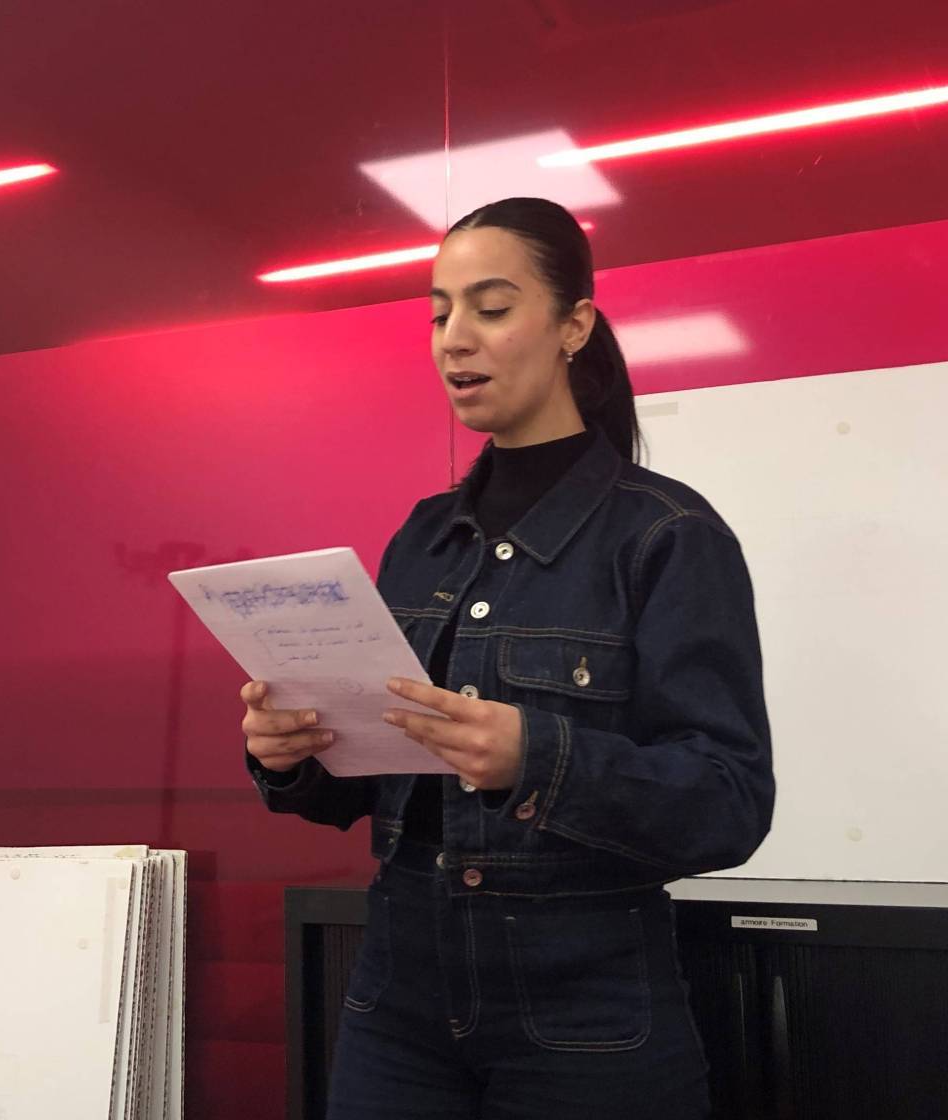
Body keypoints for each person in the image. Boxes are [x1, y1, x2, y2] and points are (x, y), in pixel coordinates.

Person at [240, 197, 776, 1119]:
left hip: (587, 1005)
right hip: (397, 991)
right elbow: (377, 782)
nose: (456, 339)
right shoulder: (423, 536)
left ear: (574, 325)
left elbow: (729, 802)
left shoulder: (666, 536)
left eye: (491, 308)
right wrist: (288, 750)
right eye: (440, 312)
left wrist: (540, 756)